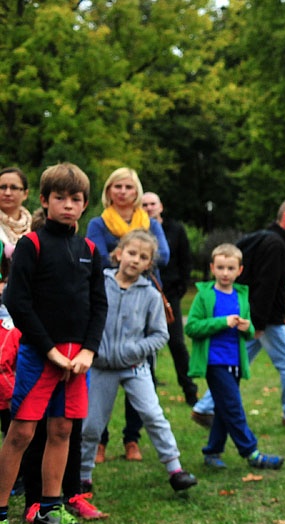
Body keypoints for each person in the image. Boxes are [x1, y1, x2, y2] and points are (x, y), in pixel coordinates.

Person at [0, 162, 108, 524]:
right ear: (44, 201)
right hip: (38, 355)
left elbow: (99, 305)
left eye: (75, 199)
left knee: (63, 431)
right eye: (59, 197)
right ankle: (0, 518)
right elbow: (16, 301)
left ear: (84, 205)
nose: (67, 205)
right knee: (22, 433)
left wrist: (87, 351)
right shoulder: (32, 244)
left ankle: (51, 506)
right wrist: (49, 351)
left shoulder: (91, 249)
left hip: (77, 361)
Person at [79, 230, 197, 498]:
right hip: (101, 367)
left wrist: (134, 350)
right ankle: (83, 476)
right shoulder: (99, 284)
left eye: (143, 257)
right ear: (118, 254)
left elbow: (160, 335)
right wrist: (93, 349)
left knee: (154, 416)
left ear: (148, 264)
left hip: (135, 367)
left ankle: (175, 470)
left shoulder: (151, 295)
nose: (135, 260)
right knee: (91, 425)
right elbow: (86, 318)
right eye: (131, 253)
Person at [190, 199, 285, 428]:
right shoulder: (275, 244)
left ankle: (204, 408)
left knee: (237, 358)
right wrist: (260, 323)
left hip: (254, 316)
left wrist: (282, 284)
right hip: (266, 320)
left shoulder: (264, 238)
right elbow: (264, 285)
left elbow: (259, 276)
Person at [87, 167, 171, 462]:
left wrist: (129, 248)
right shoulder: (99, 222)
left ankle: (132, 439)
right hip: (109, 295)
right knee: (101, 379)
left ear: (136, 191)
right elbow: (96, 255)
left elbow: (165, 255)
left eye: (128, 187)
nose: (122, 191)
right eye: (116, 186)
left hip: (142, 301)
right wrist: (137, 247)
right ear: (108, 190)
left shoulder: (148, 220)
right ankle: (99, 440)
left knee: (139, 371)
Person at [185, 243, 284, 470]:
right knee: (233, 407)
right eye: (220, 267)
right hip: (214, 362)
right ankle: (252, 452)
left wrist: (247, 328)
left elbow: (249, 332)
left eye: (230, 268)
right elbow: (191, 327)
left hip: (236, 362)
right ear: (212, 268)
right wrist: (222, 322)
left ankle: (212, 452)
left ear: (239, 270)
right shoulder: (205, 296)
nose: (225, 273)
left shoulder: (241, 296)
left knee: (223, 408)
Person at [141, 192, 198, 406]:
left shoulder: (176, 229)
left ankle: (190, 389)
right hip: (145, 289)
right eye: (144, 204)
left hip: (170, 293)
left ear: (161, 206)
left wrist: (181, 287)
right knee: (146, 342)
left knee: (176, 342)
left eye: (152, 203)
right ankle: (149, 387)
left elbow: (186, 260)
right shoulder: (139, 228)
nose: (148, 207)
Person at [0, 167, 33, 286]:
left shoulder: (36, 227)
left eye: (13, 187)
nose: (7, 192)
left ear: (25, 194)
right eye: (2, 187)